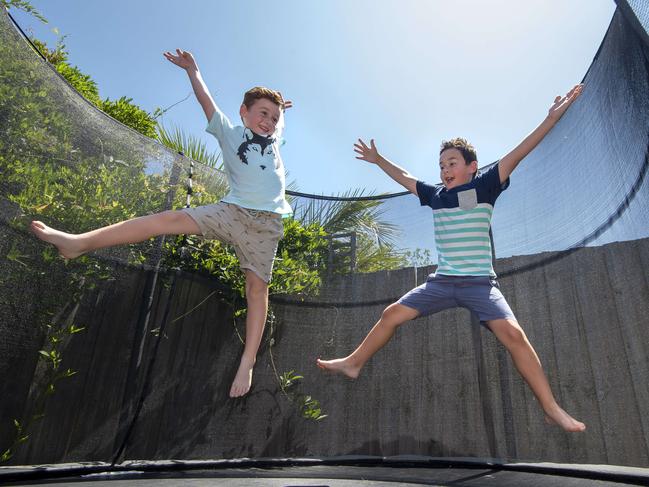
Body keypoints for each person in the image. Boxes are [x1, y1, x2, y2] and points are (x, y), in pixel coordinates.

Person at [317, 84, 586, 433]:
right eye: (441, 164)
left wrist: (550, 119)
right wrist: (379, 160)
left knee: (515, 336)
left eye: (452, 163)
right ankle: (354, 363)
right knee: (392, 313)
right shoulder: (436, 195)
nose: (445, 168)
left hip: (479, 284)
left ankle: (551, 408)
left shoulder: (486, 184)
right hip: (443, 282)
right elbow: (406, 177)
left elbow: (519, 153)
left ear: (471, 167)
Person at [31, 49, 293, 398]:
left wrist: (280, 110)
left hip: (267, 226)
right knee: (166, 220)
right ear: (243, 112)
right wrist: (193, 70)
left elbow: (277, 117)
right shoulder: (230, 133)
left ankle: (247, 360)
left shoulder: (275, 140)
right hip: (231, 212)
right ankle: (79, 243)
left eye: (274, 118)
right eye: (263, 114)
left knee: (257, 291)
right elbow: (206, 102)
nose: (269, 121)